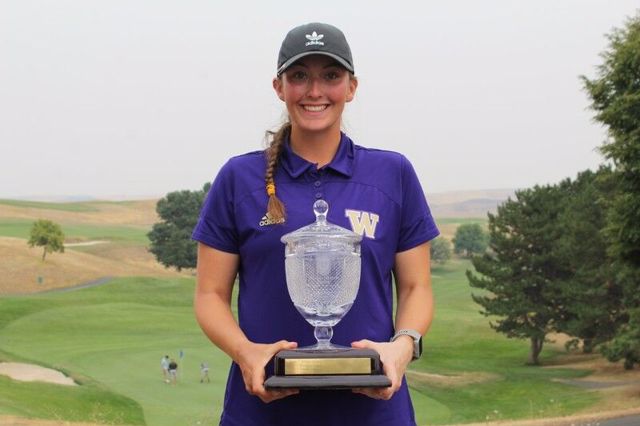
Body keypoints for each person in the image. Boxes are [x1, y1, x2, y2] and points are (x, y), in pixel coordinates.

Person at [192, 22, 439, 426]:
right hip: (260, 414)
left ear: (351, 87)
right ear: (279, 87)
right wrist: (246, 353)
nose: (314, 91)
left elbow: (417, 287)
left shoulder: (392, 174)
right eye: (299, 76)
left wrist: (403, 347)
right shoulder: (238, 179)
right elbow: (209, 295)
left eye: (331, 75)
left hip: (376, 414)